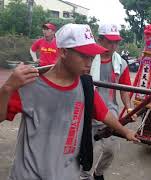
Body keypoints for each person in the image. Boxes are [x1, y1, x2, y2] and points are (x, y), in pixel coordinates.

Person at [0, 23, 139, 180]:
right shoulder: (29, 85)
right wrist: (7, 88)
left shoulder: (85, 87)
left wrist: (126, 131)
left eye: (92, 57)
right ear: (64, 52)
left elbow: (104, 114)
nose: (89, 62)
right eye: (84, 55)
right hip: (29, 174)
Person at [83, 23, 134, 180]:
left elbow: (124, 89)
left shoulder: (121, 63)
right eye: (110, 41)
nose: (114, 46)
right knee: (84, 150)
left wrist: (129, 107)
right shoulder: (87, 60)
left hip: (109, 112)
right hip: (87, 111)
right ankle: (84, 177)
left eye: (116, 42)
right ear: (99, 40)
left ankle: (98, 173)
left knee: (111, 149)